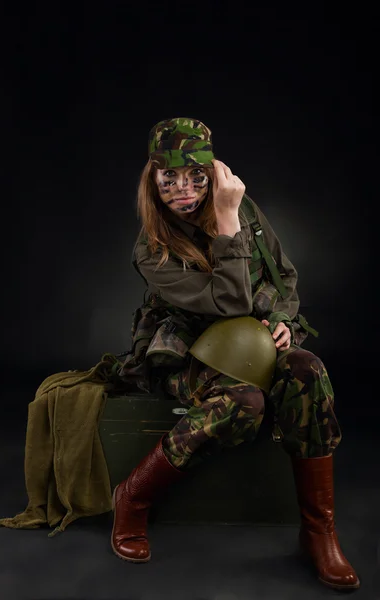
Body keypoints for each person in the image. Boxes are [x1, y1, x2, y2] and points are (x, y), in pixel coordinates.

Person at [111, 117, 360, 591]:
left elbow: (283, 276)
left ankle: (318, 532)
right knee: (245, 405)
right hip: (190, 358)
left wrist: (284, 320)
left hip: (253, 345)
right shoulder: (152, 250)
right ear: (153, 178)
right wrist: (226, 220)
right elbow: (229, 303)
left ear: (213, 173)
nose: (183, 190)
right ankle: (134, 497)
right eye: (170, 179)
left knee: (308, 371)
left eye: (195, 177)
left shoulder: (243, 210)